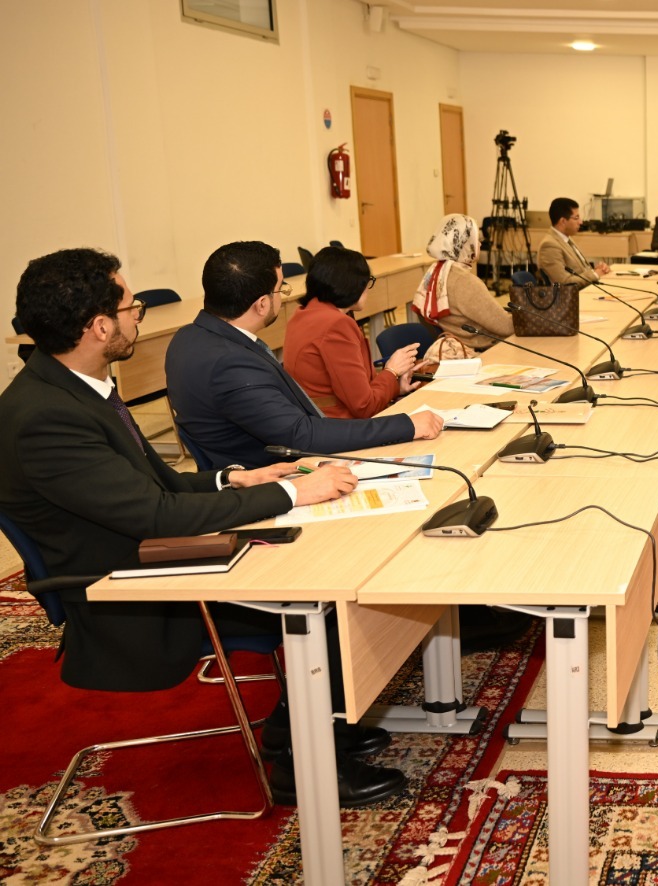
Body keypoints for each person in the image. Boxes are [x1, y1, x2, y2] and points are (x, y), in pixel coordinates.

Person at [0, 247, 404, 807]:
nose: (137, 316)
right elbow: (156, 514)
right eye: (131, 307)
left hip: (149, 548)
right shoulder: (47, 416)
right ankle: (304, 765)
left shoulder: (74, 387)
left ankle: (304, 725)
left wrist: (235, 478)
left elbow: (155, 486)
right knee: (324, 587)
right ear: (99, 327)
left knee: (327, 548)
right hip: (122, 588)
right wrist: (291, 492)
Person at [167, 241, 443, 469]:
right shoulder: (231, 364)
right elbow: (303, 435)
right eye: (280, 289)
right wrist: (406, 425)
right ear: (262, 304)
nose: (282, 297)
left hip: (262, 456)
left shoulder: (187, 338)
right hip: (271, 474)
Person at [285, 246, 422, 418]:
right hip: (338, 424)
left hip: (312, 418)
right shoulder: (336, 324)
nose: (367, 289)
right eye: (366, 282)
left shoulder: (303, 314)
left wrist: (394, 387)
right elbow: (365, 406)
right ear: (351, 285)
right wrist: (392, 371)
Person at [412, 214, 515, 354]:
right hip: (483, 352)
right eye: (476, 240)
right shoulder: (465, 282)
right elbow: (506, 327)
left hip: (462, 347)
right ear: (464, 243)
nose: (480, 244)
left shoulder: (436, 272)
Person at [542, 197, 613, 285]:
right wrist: (595, 275)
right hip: (576, 293)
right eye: (576, 218)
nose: (580, 222)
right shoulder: (549, 245)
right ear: (563, 221)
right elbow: (564, 282)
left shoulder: (567, 238)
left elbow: (582, 271)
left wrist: (597, 270)